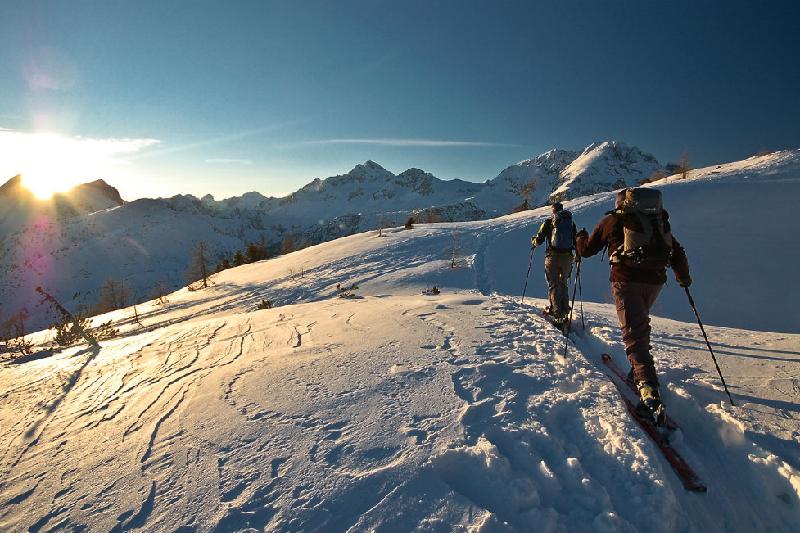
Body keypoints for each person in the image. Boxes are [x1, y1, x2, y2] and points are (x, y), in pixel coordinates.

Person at [576, 188, 691, 425]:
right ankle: (638, 373)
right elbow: (676, 251)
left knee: (634, 335)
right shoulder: (657, 222)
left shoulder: (613, 220)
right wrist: (683, 278)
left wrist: (579, 239)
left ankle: (649, 395)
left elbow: (587, 250)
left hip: (626, 281)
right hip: (655, 281)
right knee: (639, 326)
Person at [531, 202, 577, 327]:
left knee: (553, 284)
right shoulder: (571, 223)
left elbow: (539, 240)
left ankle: (557, 314)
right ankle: (565, 312)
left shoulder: (548, 222)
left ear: (553, 211)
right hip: (567, 258)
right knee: (563, 283)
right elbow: (575, 240)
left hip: (553, 257)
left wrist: (533, 241)